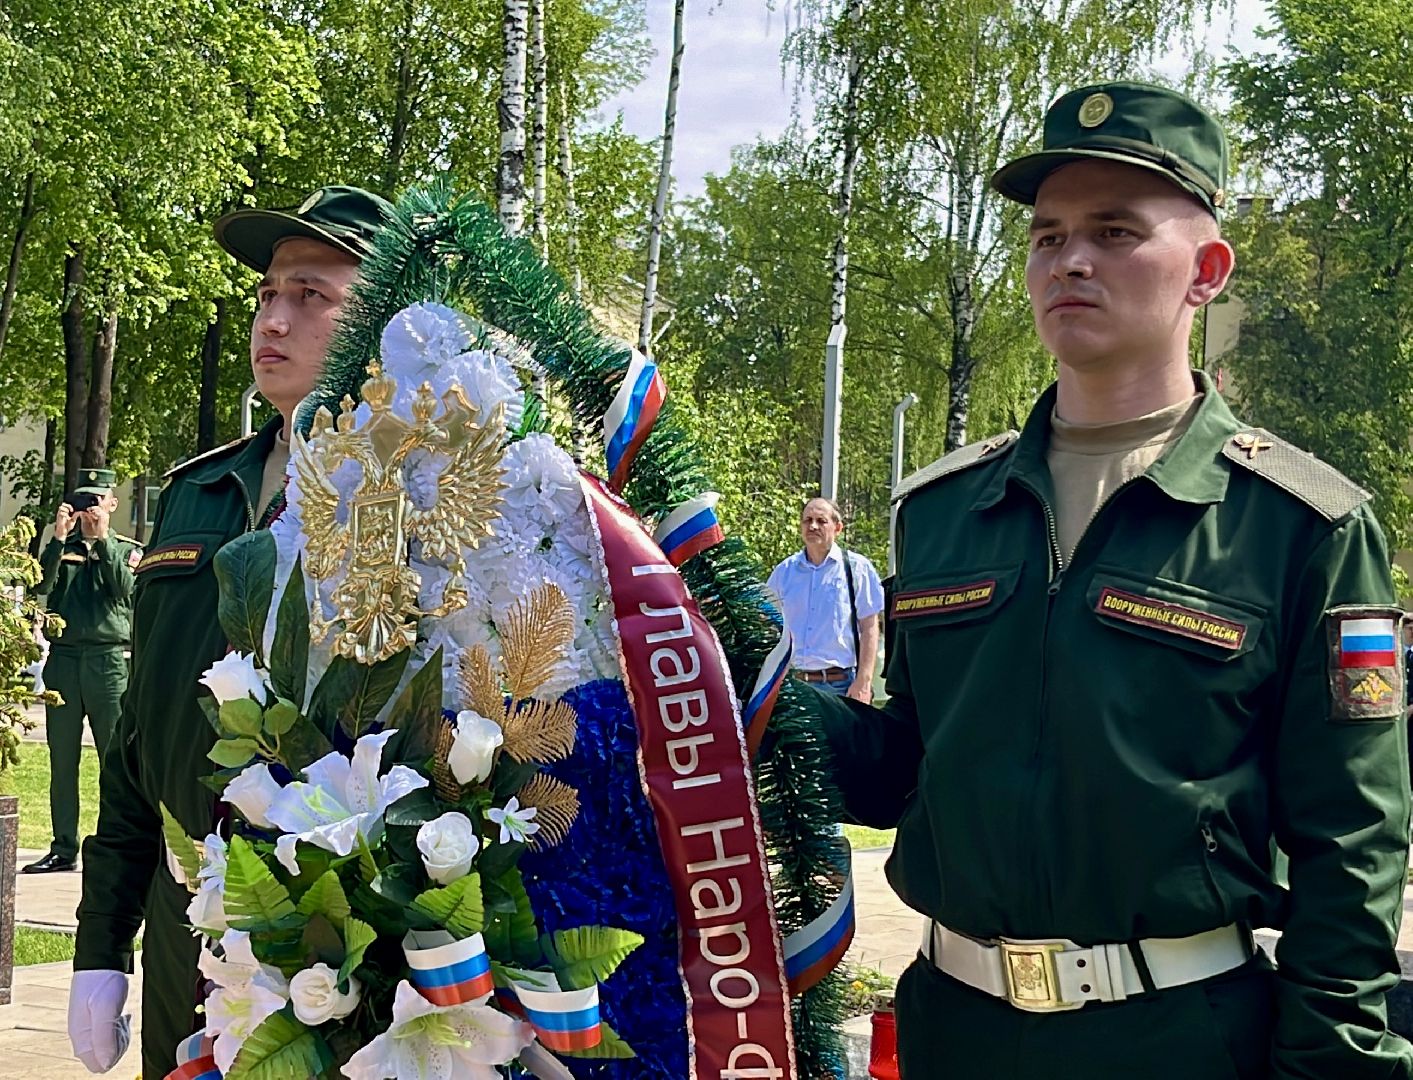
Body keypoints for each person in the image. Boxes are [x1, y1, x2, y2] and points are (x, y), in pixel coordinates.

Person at [806, 82, 1413, 1078]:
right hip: (956, 1031)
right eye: (1047, 237)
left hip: (1176, 1040)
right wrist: (734, 678)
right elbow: (910, 768)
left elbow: (1353, 846)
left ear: (1206, 272)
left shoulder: (1301, 524)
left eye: (1117, 231)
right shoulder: (946, 511)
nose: (1071, 259)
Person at [68, 185, 393, 1077]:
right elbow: (144, 735)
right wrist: (101, 942)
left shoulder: (420, 511)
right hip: (187, 942)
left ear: (383, 329)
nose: (273, 320)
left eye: (311, 296)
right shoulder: (199, 494)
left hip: (346, 960)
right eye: (267, 294)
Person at [24, 470, 140, 875]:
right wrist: (57, 539)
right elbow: (41, 590)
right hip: (65, 661)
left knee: (114, 760)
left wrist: (104, 539)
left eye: (97, 502)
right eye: (83, 502)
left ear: (112, 505)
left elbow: (124, 590)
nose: (89, 511)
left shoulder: (126, 550)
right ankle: (63, 846)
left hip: (109, 664)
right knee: (62, 759)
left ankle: (116, 844)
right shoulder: (61, 546)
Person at [766, 497, 883, 703]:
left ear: (838, 528)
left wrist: (863, 682)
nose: (813, 526)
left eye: (821, 521)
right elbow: (766, 623)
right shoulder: (784, 572)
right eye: (807, 520)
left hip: (840, 686)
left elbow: (870, 628)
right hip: (793, 686)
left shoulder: (857, 569)